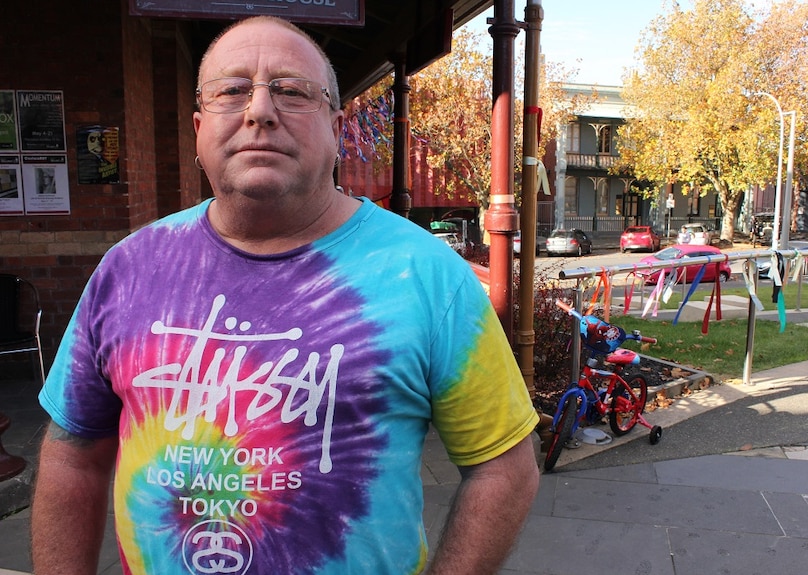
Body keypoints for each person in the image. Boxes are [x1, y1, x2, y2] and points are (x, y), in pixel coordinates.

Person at [31, 16, 539, 575]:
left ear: (338, 128)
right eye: (231, 91)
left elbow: (504, 467)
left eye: (292, 92)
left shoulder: (426, 275)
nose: (259, 111)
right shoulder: (127, 270)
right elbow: (72, 456)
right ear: (199, 128)